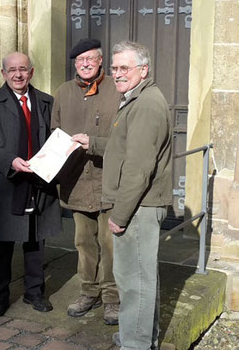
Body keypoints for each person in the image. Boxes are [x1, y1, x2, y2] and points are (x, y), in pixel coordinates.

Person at [0, 52, 62, 317]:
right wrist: (11, 161)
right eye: (12, 70)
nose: (18, 75)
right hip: (7, 182)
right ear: (3, 74)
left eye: (23, 69)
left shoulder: (47, 101)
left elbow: (56, 137)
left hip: (39, 181)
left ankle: (34, 292)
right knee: (3, 244)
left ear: (31, 72)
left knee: (36, 240)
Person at [103, 41, 173, 349]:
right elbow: (125, 147)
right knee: (138, 279)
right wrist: (90, 143)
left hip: (138, 207)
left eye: (124, 68)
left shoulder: (145, 103)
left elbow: (138, 168)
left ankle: (136, 344)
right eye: (114, 68)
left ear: (143, 70)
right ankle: (138, 335)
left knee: (135, 283)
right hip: (138, 204)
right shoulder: (137, 98)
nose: (117, 74)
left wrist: (119, 216)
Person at [51, 38, 121, 324]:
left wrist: (93, 144)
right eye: (80, 60)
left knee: (110, 242)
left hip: (108, 181)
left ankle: (112, 298)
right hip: (77, 181)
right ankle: (88, 292)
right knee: (83, 242)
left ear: (101, 60)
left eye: (90, 58)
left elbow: (125, 139)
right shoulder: (64, 91)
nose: (85, 64)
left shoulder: (117, 89)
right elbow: (54, 131)